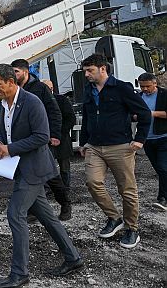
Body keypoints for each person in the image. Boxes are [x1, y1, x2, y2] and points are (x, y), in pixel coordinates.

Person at [0, 64, 82, 288]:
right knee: (47, 216)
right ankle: (73, 258)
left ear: (11, 82)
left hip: (34, 169)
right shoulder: (3, 105)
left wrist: (10, 149)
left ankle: (19, 273)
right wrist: (0, 141)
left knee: (15, 214)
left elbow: (42, 137)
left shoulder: (32, 102)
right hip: (20, 168)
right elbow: (4, 130)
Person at [78, 54, 151, 249]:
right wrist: (83, 142)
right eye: (85, 71)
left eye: (90, 70)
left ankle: (132, 229)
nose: (86, 74)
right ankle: (113, 217)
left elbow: (144, 114)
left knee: (127, 189)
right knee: (93, 182)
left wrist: (139, 140)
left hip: (120, 146)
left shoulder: (122, 88)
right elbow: (87, 116)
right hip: (94, 146)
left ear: (103, 69)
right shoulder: (89, 89)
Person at [11, 59, 72, 221]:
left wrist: (55, 135)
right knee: (28, 174)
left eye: (16, 71)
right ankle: (34, 210)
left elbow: (54, 112)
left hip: (40, 138)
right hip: (23, 140)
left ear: (25, 71)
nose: (14, 74)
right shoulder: (14, 90)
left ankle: (65, 203)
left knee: (50, 175)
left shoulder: (40, 88)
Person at [137, 73, 167, 212]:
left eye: (147, 86)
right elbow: (132, 114)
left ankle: (163, 199)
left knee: (162, 167)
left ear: (155, 83)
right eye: (142, 86)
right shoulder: (138, 97)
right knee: (159, 169)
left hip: (163, 137)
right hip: (147, 139)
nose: (144, 89)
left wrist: (151, 113)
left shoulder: (164, 95)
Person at [41, 79, 77, 189]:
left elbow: (70, 118)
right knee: (46, 166)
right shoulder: (38, 100)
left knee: (64, 166)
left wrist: (59, 134)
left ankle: (65, 187)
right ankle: (49, 188)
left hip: (62, 138)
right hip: (46, 139)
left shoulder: (61, 100)